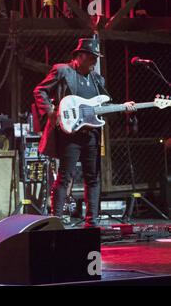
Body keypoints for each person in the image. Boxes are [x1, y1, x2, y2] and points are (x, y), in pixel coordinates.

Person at [33, 38, 136, 228]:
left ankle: (92, 222)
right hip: (70, 134)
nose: (94, 62)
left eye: (96, 58)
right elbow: (40, 91)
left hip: (91, 135)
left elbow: (103, 105)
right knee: (65, 176)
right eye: (91, 57)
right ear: (79, 56)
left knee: (93, 178)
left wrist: (123, 107)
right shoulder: (63, 70)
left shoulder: (97, 79)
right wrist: (50, 112)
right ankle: (55, 220)